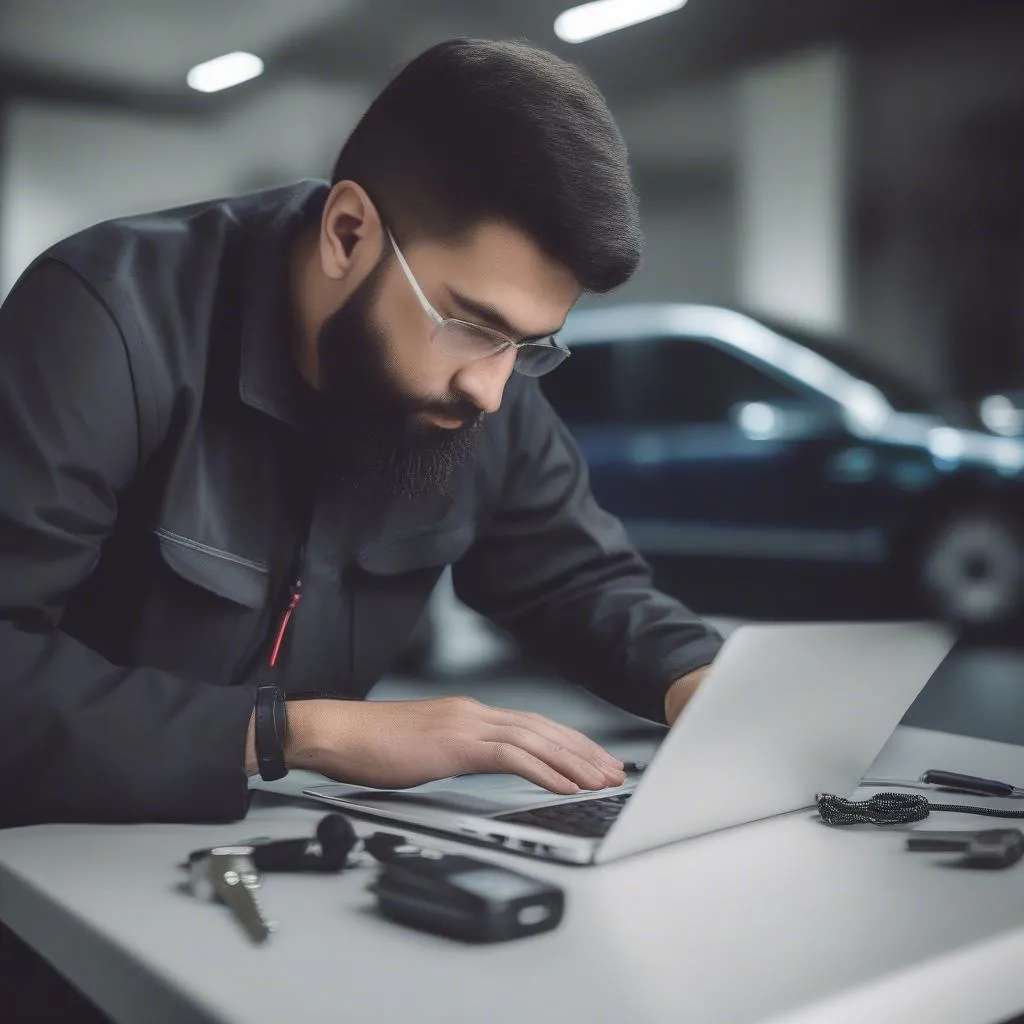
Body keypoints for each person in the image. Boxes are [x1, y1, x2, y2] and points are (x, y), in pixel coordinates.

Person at [0, 37, 723, 829]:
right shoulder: (104, 321)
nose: (491, 388)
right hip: (48, 861)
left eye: (529, 345)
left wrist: (702, 683)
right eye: (471, 324)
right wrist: (298, 733)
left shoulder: (484, 378)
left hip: (290, 849)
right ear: (348, 232)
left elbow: (577, 580)